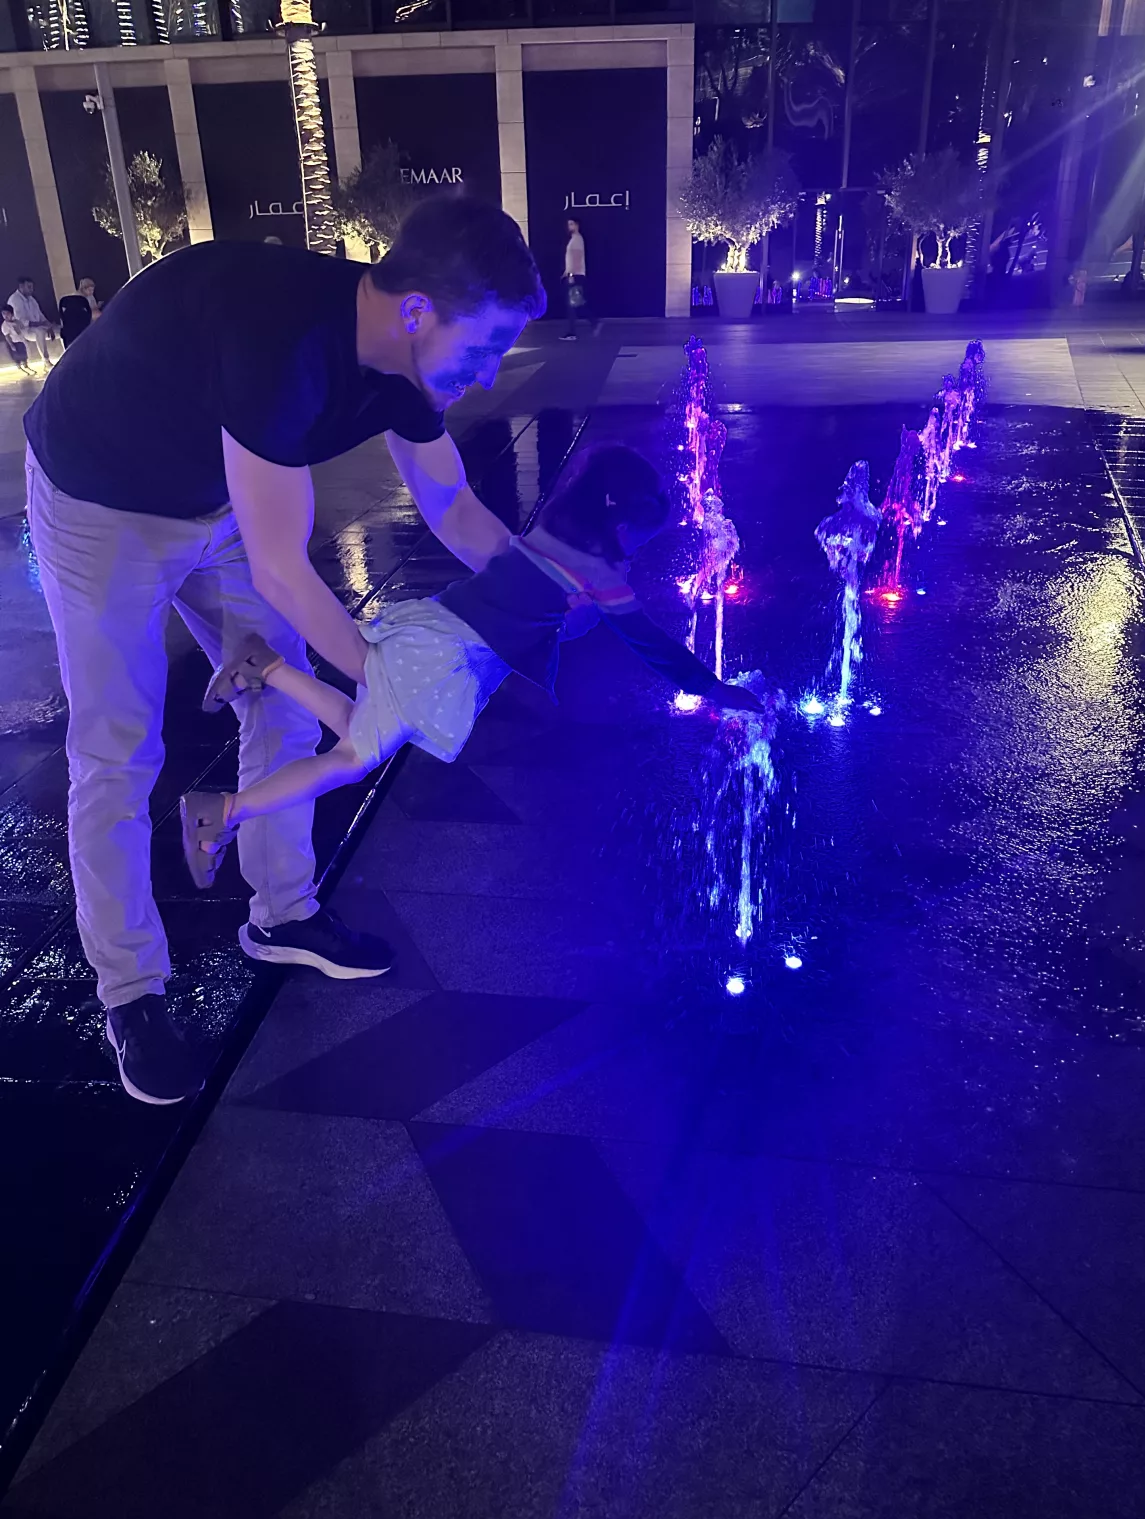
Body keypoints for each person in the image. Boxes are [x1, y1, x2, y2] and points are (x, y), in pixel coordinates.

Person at [24, 195, 544, 1107]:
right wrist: (383, 678)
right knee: (117, 748)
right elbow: (279, 567)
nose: (490, 371)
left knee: (279, 707)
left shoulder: (404, 367)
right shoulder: (285, 341)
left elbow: (454, 508)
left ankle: (284, 914)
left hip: (218, 501)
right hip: (100, 502)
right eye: (485, 344)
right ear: (418, 309)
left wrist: (544, 593)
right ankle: (133, 993)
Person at [180, 444, 761, 884]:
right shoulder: (602, 574)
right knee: (353, 759)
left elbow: (541, 604)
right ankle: (225, 809)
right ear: (620, 526)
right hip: (449, 659)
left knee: (359, 724)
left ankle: (268, 667)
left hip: (436, 629)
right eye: (641, 537)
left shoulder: (543, 535)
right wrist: (715, 689)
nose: (639, 549)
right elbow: (648, 642)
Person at [11, 276, 56, 369]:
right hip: (24, 331)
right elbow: (22, 322)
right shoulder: (14, 300)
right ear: (21, 286)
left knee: (60, 330)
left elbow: (40, 315)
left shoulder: (32, 299)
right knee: (39, 331)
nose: (31, 289)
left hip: (39, 327)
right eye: (29, 287)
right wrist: (41, 325)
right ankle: (46, 361)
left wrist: (49, 325)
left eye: (32, 287)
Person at [561, 216, 592, 341]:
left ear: (577, 225)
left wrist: (571, 275)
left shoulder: (577, 240)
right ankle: (594, 321)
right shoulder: (574, 239)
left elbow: (577, 258)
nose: (570, 227)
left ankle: (572, 332)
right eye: (569, 224)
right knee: (576, 303)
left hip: (576, 275)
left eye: (572, 224)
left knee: (572, 304)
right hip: (574, 274)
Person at [2, 304, 33, 374]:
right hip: (14, 343)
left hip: (21, 341)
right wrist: (11, 345)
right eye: (4, 314)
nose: (6, 316)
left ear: (12, 314)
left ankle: (26, 365)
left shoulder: (17, 322)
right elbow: (7, 336)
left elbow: (22, 329)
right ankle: (19, 366)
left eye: (8, 314)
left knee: (24, 355)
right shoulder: (5, 325)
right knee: (17, 356)